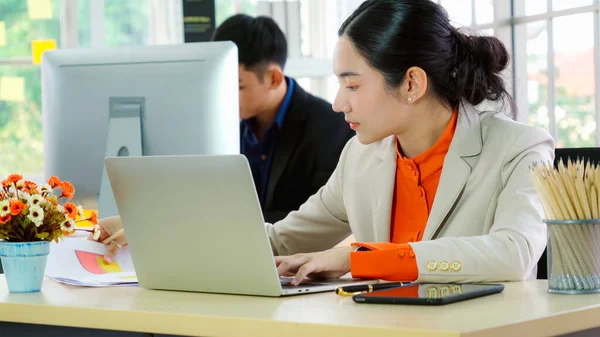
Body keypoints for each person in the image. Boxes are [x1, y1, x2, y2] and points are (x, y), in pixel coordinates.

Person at [95, 0, 555, 284]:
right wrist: (161, 230)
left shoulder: (520, 149)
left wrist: (359, 259)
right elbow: (278, 239)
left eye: (352, 85)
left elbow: (511, 254)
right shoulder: (363, 156)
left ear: (412, 83)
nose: (337, 103)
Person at [211, 14, 355, 224]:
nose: (225, 97)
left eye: (238, 86)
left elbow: (325, 220)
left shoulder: (331, 127)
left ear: (274, 78)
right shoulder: (224, 126)